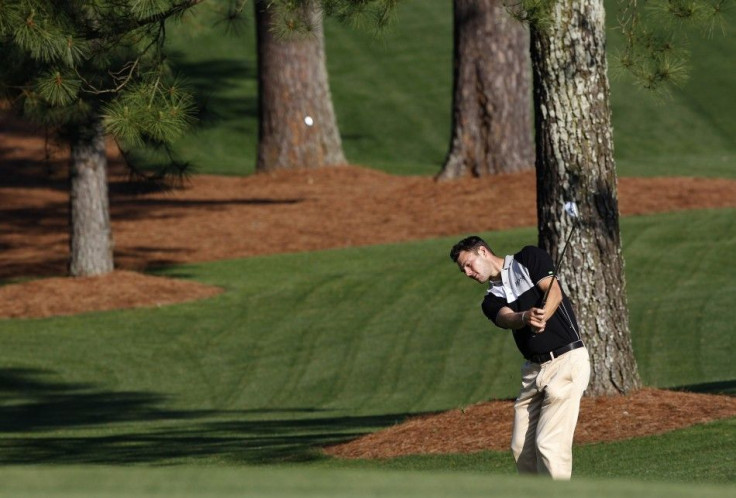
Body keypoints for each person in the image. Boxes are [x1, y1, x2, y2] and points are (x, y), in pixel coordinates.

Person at [449, 235, 590, 480]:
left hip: (566, 360)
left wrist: (542, 315)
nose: (468, 273)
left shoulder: (528, 258)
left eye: (469, 264)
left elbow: (554, 291)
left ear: (483, 251)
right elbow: (505, 318)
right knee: (521, 448)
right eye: (463, 271)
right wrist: (526, 317)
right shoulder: (490, 299)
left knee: (548, 444)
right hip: (533, 371)